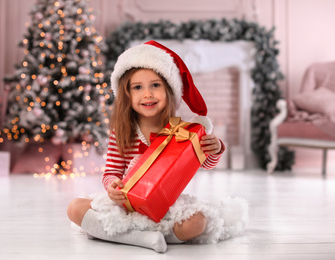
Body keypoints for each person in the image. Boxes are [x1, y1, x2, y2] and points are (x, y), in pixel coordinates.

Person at [67, 40, 248, 253]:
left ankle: (128, 236)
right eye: (137, 87)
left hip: (164, 204)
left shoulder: (180, 130)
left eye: (155, 85)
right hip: (126, 204)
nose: (148, 94)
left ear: (169, 89)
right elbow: (111, 172)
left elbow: (204, 164)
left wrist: (214, 148)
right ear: (127, 94)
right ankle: (144, 239)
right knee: (74, 208)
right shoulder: (122, 131)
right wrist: (112, 185)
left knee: (197, 222)